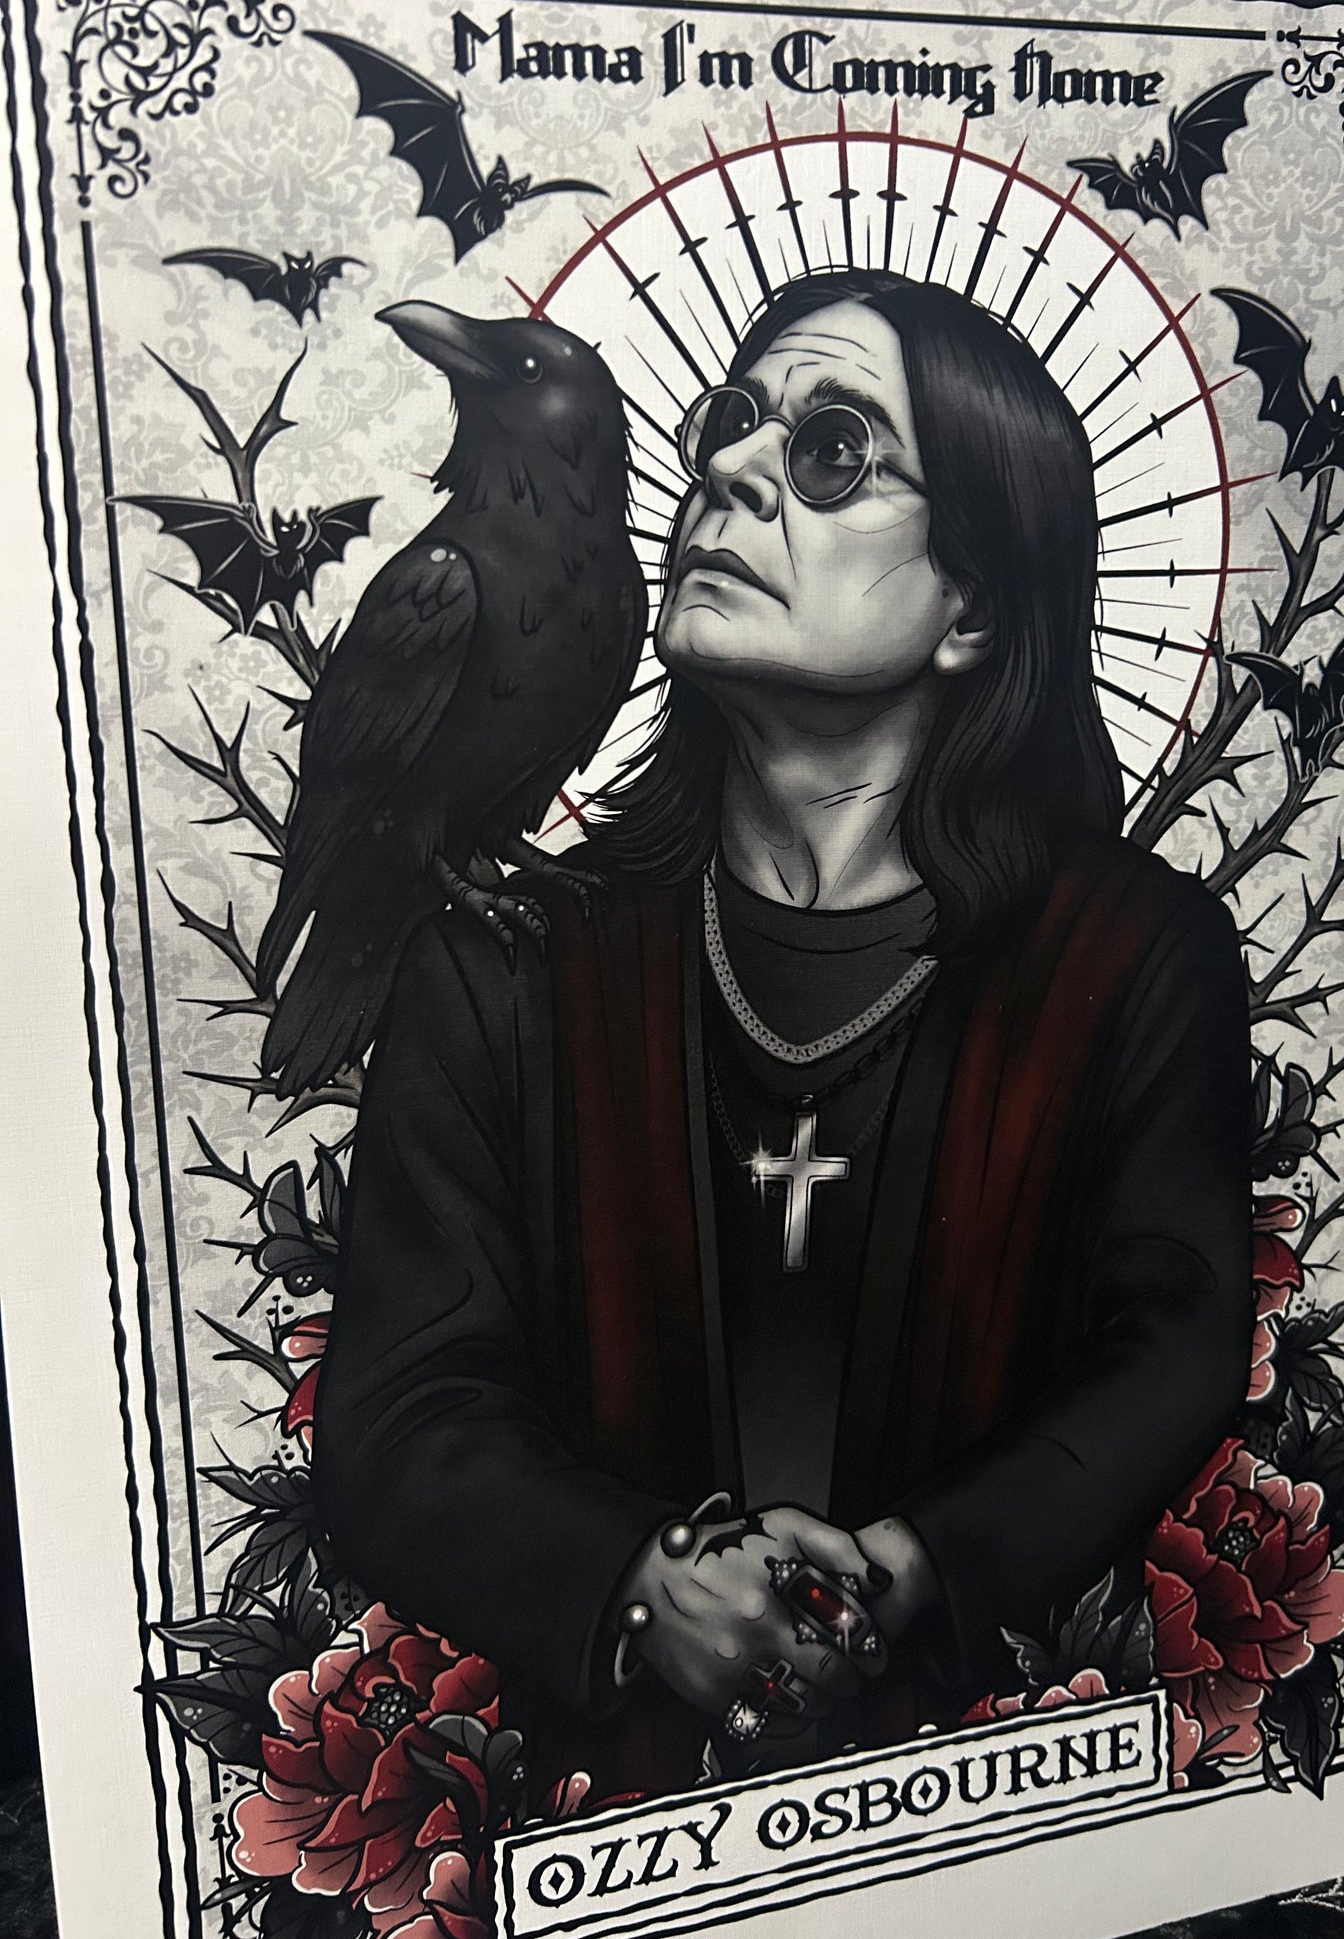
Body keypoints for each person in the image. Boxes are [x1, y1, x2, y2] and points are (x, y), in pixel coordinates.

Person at [312, 269, 1253, 1802]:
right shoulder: (499, 970)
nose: (734, 469)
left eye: (830, 450)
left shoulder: (1134, 963)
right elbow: (400, 1412)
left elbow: (1176, 1346)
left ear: (974, 607)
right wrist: (637, 1583)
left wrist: (915, 1568)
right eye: (731, 423)